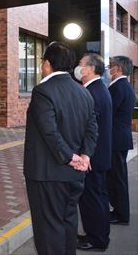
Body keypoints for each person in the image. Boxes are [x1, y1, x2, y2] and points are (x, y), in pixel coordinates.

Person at [24, 42, 98, 255]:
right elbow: (92, 128)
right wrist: (85, 156)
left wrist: (70, 157)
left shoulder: (43, 91)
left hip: (48, 173)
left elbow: (50, 132)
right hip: (75, 174)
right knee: (68, 223)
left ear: (47, 64)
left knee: (48, 229)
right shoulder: (83, 91)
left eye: (41, 63)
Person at [73, 53, 112, 251]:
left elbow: (89, 129)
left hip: (93, 157)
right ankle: (97, 235)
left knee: (92, 199)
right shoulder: (98, 89)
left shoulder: (93, 92)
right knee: (97, 197)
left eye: (81, 64)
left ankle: (96, 239)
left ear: (90, 69)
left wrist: (83, 154)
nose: (78, 68)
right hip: (99, 155)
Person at [107, 55, 135, 225]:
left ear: (118, 68)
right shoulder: (125, 86)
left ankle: (121, 214)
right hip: (120, 138)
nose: (109, 68)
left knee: (117, 178)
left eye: (111, 65)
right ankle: (118, 211)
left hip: (116, 139)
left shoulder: (118, 87)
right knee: (117, 177)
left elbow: (108, 112)